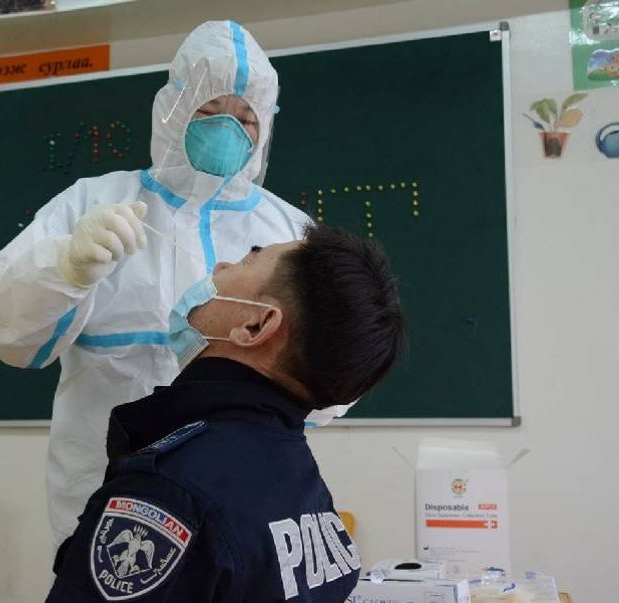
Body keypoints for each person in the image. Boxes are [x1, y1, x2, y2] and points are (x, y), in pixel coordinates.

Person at [0, 21, 355, 548]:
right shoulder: (94, 204)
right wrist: (65, 266)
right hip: (112, 506)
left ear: (265, 127)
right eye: (209, 110)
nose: (227, 129)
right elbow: (1, 329)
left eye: (245, 119)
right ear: (172, 109)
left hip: (247, 503)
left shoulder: (289, 232)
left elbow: (329, 382)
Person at [46, 225, 407, 602]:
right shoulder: (299, 478)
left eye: (247, 260)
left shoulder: (167, 490)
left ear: (255, 325)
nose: (219, 267)